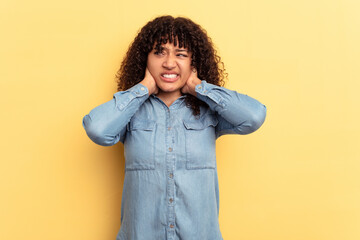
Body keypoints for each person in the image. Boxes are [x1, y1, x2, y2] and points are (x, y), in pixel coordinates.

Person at [82, 15, 267, 240]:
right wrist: (144, 88)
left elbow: (254, 116)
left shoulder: (210, 111)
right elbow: (97, 129)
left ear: (193, 62)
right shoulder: (131, 111)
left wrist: (198, 87)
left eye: (181, 54)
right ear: (145, 59)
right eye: (159, 52)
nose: (169, 63)